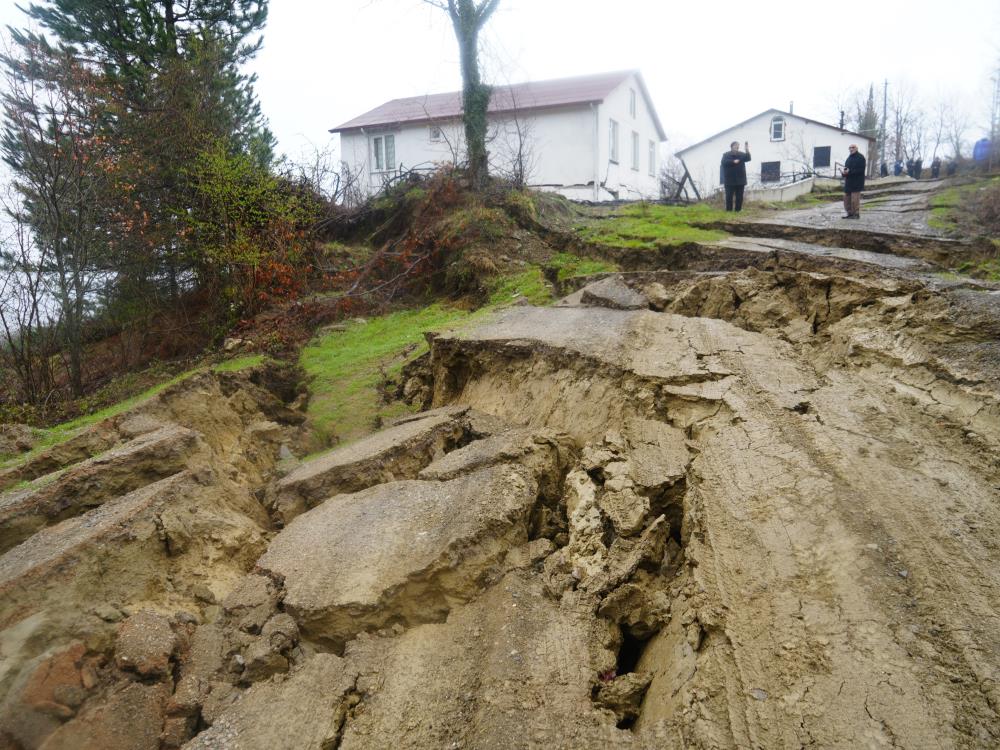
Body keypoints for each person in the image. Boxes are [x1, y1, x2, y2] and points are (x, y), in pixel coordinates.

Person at [720, 140, 751, 212]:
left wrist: (747, 150)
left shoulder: (741, 154)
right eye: (735, 145)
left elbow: (748, 158)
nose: (737, 147)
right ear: (731, 147)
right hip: (729, 180)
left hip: (740, 179)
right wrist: (733, 161)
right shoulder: (726, 155)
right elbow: (723, 162)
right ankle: (729, 210)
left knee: (739, 196)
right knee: (729, 196)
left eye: (738, 146)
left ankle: (738, 210)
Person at [841, 144, 866, 219]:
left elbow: (861, 170)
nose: (851, 149)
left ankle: (856, 214)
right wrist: (844, 173)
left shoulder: (861, 157)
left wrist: (850, 171)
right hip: (848, 182)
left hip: (857, 182)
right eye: (850, 148)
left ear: (856, 148)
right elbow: (846, 169)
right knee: (846, 198)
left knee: (855, 199)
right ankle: (849, 213)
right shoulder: (848, 158)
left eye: (853, 147)